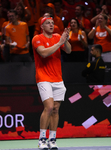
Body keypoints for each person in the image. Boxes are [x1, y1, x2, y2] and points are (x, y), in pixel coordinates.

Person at [32, 17, 71, 150]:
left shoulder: (57, 37)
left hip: (58, 78)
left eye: (53, 23)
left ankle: (52, 139)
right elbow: (43, 53)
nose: (51, 25)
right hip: (43, 78)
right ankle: (42, 139)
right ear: (42, 26)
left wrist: (64, 40)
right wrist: (60, 42)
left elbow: (69, 50)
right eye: (48, 23)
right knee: (48, 107)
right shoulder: (37, 38)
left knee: (55, 109)